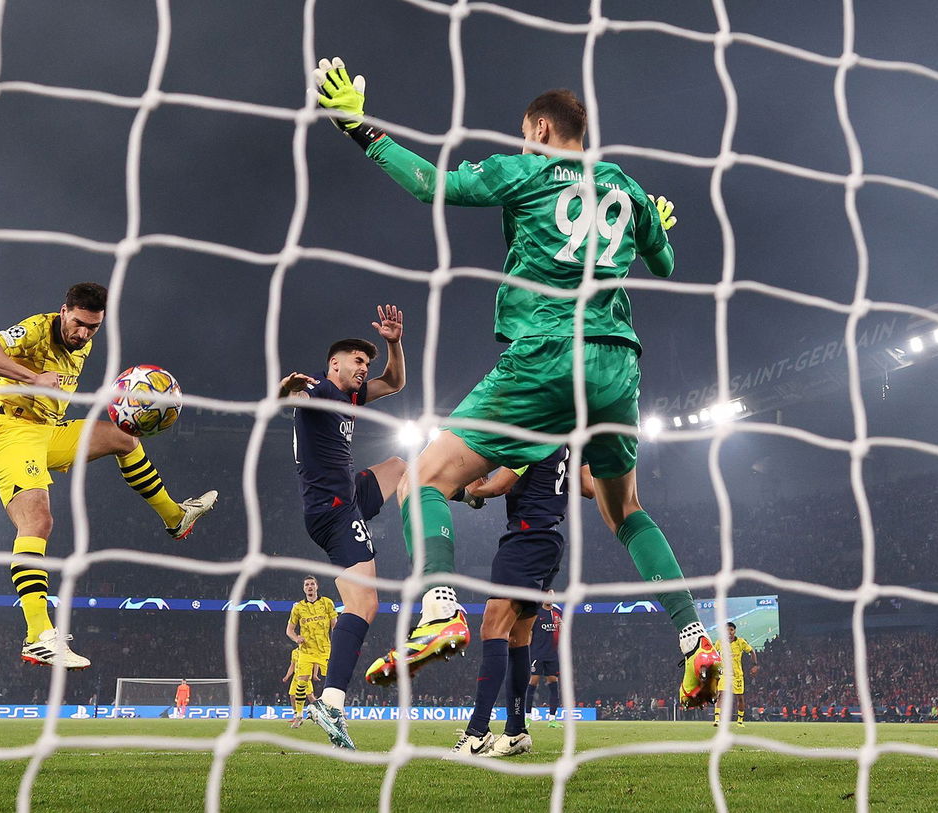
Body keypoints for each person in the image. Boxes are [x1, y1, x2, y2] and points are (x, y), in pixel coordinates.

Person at [312, 58, 721, 706]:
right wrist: (653, 227)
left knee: (425, 477)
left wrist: (359, 130)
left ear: (538, 128)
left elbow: (430, 185)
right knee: (626, 509)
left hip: (548, 353)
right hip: (618, 367)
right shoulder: (626, 188)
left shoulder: (526, 167)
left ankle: (441, 606)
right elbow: (665, 263)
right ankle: (695, 636)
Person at [0, 282, 218, 669]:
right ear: (64, 311)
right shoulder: (36, 329)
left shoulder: (83, 344)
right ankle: (38, 636)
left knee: (123, 437)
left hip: (45, 432)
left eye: (93, 328)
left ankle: (174, 516)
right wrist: (29, 380)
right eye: (79, 323)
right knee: (38, 519)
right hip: (10, 435)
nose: (83, 333)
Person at [278, 304, 408, 749]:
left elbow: (394, 382)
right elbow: (288, 400)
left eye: (365, 364)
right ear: (334, 363)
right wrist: (286, 388)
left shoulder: (350, 397)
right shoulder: (317, 390)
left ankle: (458, 497)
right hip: (333, 510)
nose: (363, 369)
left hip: (348, 495)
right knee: (364, 605)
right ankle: (332, 702)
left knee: (401, 467)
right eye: (357, 362)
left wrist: (393, 342)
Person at [439, 448, 592, 758]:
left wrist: (463, 491)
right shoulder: (570, 441)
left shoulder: (535, 435)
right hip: (550, 541)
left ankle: (477, 732)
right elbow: (588, 487)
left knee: (492, 629)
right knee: (518, 637)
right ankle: (516, 731)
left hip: (524, 540)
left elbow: (499, 486)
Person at [286, 576, 338, 728]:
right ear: (304, 589)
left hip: (325, 649)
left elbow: (335, 625)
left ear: (317, 587)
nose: (309, 587)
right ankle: (299, 715)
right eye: (307, 585)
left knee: (333, 681)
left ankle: (336, 712)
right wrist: (296, 638)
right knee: (301, 681)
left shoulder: (327, 603)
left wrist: (338, 642)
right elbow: (289, 630)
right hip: (306, 651)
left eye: (312, 584)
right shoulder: (298, 608)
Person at [713, 622, 758, 727]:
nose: (729, 632)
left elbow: (752, 651)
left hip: (737, 675)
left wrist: (755, 665)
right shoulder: (720, 642)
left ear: (734, 631)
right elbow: (714, 654)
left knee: (740, 698)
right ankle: (717, 719)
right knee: (721, 694)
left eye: (731, 630)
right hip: (724, 674)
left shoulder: (740, 642)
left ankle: (740, 721)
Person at [528, 596, 564, 728]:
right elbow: (529, 632)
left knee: (554, 684)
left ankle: (552, 719)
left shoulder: (558, 613)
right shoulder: (537, 613)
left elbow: (562, 630)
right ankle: (527, 718)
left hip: (552, 655)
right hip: (537, 653)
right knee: (533, 682)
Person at [282, 646, 320, 728]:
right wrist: (287, 676)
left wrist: (315, 674)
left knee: (310, 697)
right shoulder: (294, 652)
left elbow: (315, 663)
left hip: (305, 677)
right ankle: (297, 715)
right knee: (292, 696)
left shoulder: (309, 650)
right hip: (296, 677)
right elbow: (292, 665)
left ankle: (320, 714)